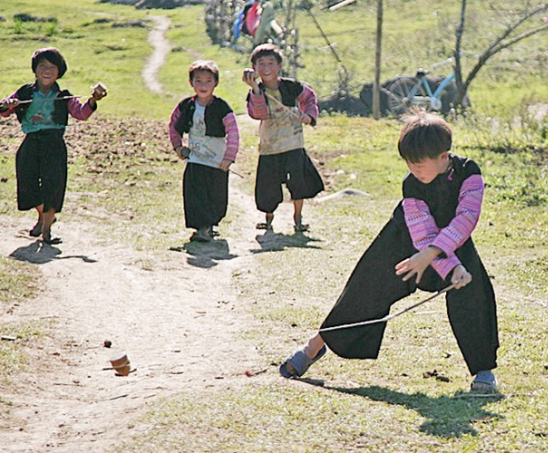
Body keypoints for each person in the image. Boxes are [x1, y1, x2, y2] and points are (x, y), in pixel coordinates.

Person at [279, 110, 499, 391]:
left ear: (443, 157)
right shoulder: (411, 185)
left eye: (419, 163)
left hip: (452, 240)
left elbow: (466, 219)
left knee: (472, 292)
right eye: (408, 163)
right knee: (364, 288)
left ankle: (483, 371)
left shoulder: (469, 172)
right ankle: (314, 346)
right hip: (406, 238)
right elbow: (423, 234)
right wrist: (436, 259)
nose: (413, 169)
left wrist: (452, 266)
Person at [0, 47, 106, 245]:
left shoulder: (64, 95)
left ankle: (47, 231)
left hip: (54, 144)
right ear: (35, 70)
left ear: (59, 71)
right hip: (31, 143)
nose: (47, 71)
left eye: (52, 67)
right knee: (27, 184)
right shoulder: (25, 91)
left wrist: (93, 99)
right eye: (42, 66)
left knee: (53, 186)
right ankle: (42, 214)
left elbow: (81, 113)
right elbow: (3, 109)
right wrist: (8, 104)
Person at [242, 43, 324, 232]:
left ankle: (298, 218)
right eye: (261, 64)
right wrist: (254, 87)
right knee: (268, 186)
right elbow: (258, 113)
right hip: (270, 145)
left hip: (293, 143)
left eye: (271, 63)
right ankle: (269, 219)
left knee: (298, 182)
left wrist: (308, 116)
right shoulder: (256, 91)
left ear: (279, 66)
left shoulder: (291, 87)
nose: (266, 68)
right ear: (254, 68)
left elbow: (309, 98)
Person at [168, 60, 240, 242]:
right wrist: (178, 146)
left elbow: (233, 132)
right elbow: (174, 126)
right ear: (191, 82)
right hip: (195, 158)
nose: (203, 85)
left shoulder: (222, 107)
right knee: (194, 193)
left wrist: (229, 157)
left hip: (217, 160)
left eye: (208, 81)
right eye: (198, 80)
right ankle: (201, 228)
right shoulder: (186, 106)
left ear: (216, 83)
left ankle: (210, 225)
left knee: (215, 194)